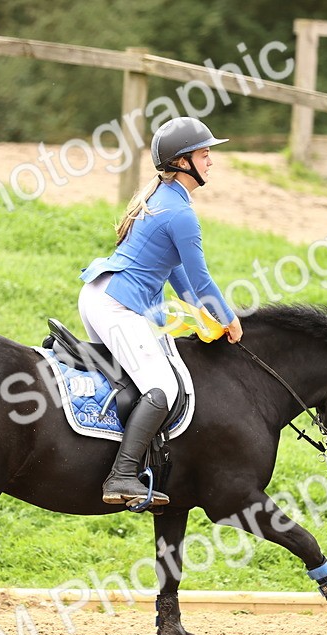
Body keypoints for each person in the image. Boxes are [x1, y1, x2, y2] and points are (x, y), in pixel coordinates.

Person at [79, 116, 243, 507]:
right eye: (205, 154)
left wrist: (206, 316)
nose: (210, 161)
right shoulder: (180, 214)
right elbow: (202, 281)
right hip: (116, 306)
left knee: (139, 375)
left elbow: (180, 277)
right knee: (164, 387)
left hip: (100, 295)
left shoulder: (165, 198)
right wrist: (230, 319)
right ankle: (120, 476)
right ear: (183, 161)